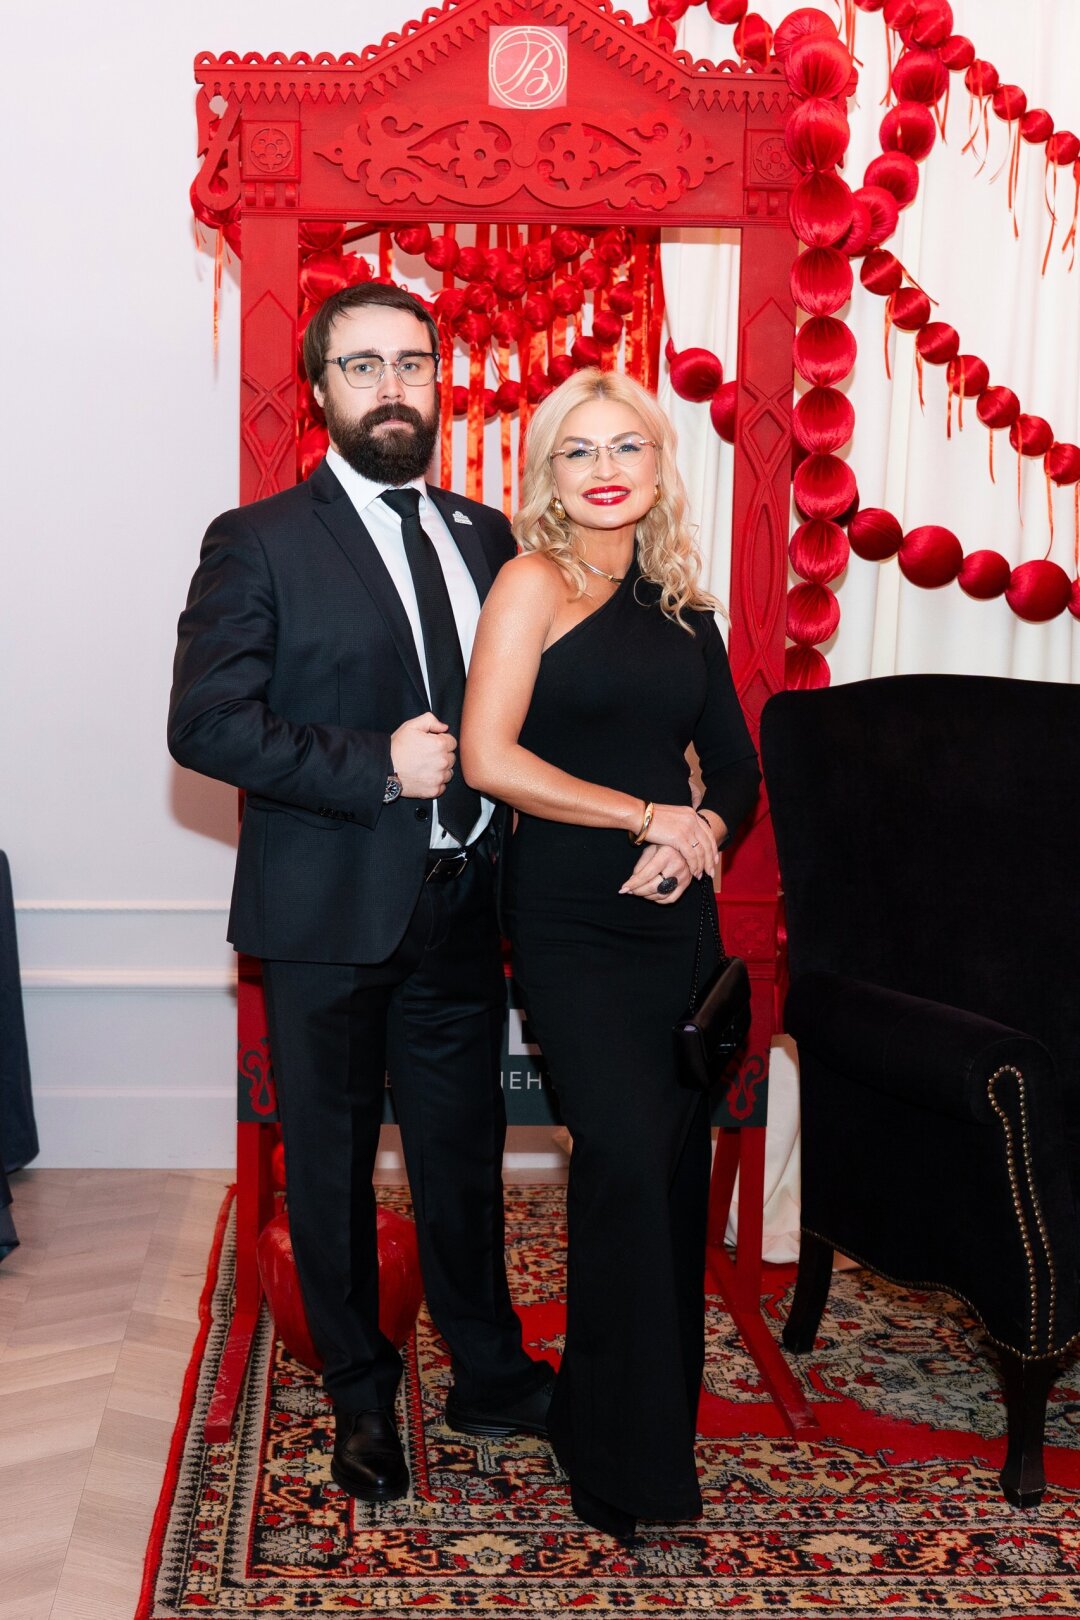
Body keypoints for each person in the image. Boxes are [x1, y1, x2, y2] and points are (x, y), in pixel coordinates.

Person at [168, 283, 553, 1507]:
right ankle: (360, 1394)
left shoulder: (490, 536)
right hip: (326, 913)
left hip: (465, 906)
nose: (393, 387)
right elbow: (206, 724)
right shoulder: (259, 539)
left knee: (463, 1157)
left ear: (441, 380)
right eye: (363, 365)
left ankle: (490, 1375)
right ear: (322, 391)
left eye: (413, 362)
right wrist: (375, 766)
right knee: (330, 1171)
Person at [460, 368, 760, 1545]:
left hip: (676, 920)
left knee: (671, 1175)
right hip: (571, 919)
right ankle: (616, 1465)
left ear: (657, 464)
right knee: (625, 1162)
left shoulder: (683, 605)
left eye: (625, 445)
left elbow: (734, 768)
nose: (603, 469)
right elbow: (489, 757)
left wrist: (697, 837)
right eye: (577, 450)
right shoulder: (531, 582)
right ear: (550, 473)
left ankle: (630, 1435)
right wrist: (648, 819)